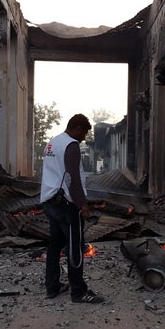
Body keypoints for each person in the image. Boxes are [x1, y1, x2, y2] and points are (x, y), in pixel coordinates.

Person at [40, 114, 104, 304]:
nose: (84, 137)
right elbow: (72, 178)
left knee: (54, 246)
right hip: (66, 205)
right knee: (75, 247)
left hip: (50, 201)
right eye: (84, 132)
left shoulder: (53, 143)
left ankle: (52, 287)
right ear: (76, 127)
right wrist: (82, 205)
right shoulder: (71, 145)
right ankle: (78, 292)